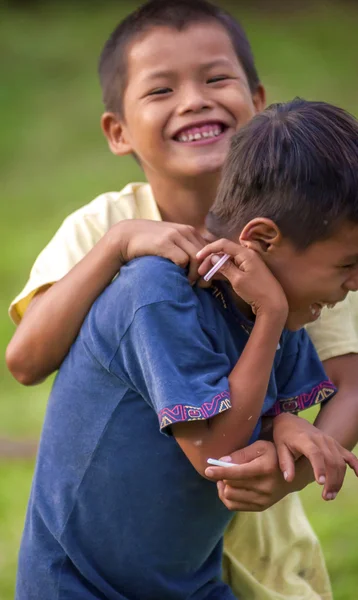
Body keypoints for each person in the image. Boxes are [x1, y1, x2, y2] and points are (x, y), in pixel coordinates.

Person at [7, 1, 358, 598]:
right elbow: (26, 359)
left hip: (232, 546)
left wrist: (287, 447)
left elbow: (339, 383)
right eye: (162, 88)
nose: (194, 99)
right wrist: (119, 246)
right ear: (117, 130)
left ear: (259, 103)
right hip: (107, 571)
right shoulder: (126, 250)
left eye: (216, 78)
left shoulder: (313, 245)